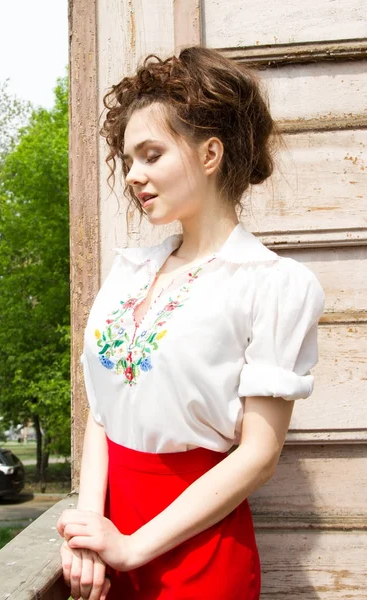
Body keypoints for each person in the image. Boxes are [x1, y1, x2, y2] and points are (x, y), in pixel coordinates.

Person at [57, 45, 325, 600]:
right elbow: (104, 411)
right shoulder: (129, 273)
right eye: (129, 160)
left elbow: (258, 454)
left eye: (151, 155)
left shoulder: (270, 284)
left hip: (199, 556)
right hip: (110, 541)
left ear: (210, 154)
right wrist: (88, 532)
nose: (134, 175)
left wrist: (133, 545)